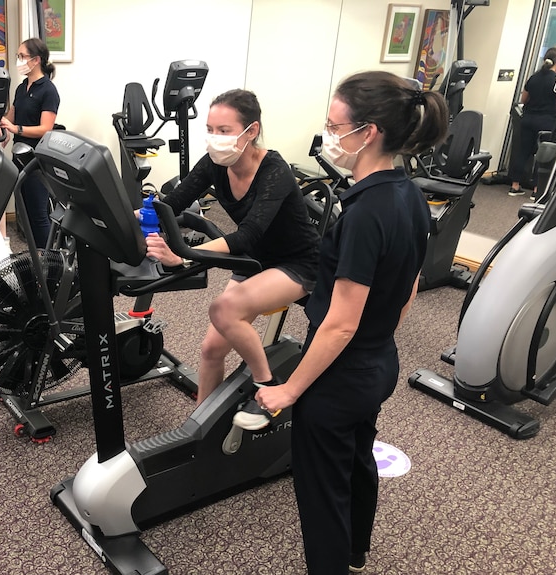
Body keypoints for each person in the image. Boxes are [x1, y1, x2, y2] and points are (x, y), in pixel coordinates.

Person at [238, 71, 447, 575]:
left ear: (368, 132)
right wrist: (376, 344)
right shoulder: (410, 196)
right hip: (378, 364)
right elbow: (409, 287)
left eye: (335, 127)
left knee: (321, 491)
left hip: (340, 376)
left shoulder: (363, 214)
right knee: (356, 461)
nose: (328, 136)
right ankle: (356, 552)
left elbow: (339, 325)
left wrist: (288, 392)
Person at [144, 89, 319, 406]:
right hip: (255, 260)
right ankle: (198, 432)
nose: (214, 139)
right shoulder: (215, 163)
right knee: (211, 350)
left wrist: (183, 256)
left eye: (224, 131)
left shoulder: (275, 171)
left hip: (298, 263)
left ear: (251, 131)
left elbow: (247, 235)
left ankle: (265, 385)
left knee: (223, 310)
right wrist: (131, 216)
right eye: (210, 130)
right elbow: (173, 204)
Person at [0, 38, 59, 249]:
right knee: (25, 213)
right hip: (19, 156)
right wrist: (4, 127)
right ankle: (36, 256)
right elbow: (12, 116)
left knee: (38, 214)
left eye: (22, 56)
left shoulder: (48, 90)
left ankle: (48, 260)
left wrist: (17, 129)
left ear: (36, 60)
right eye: (18, 56)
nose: (19, 60)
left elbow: (46, 128)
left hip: (36, 160)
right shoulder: (22, 87)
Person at [508, 46, 556, 198]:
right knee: (543, 155)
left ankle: (515, 186)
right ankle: (537, 190)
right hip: (546, 122)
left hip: (528, 120)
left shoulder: (534, 77)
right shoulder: (555, 81)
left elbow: (524, 99)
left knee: (522, 151)